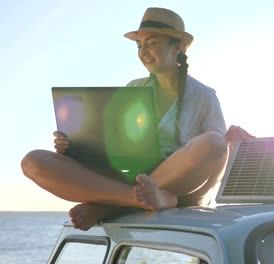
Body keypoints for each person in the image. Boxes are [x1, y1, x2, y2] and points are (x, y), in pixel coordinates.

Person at [20, 7, 254, 231]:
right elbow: (114, 147)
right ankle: (135, 199)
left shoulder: (204, 96)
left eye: (152, 43)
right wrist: (75, 145)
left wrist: (231, 144)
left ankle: (109, 206)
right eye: (139, 45)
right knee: (33, 161)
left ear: (178, 47)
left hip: (183, 191)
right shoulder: (133, 89)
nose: (143, 52)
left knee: (213, 142)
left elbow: (212, 163)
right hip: (134, 180)